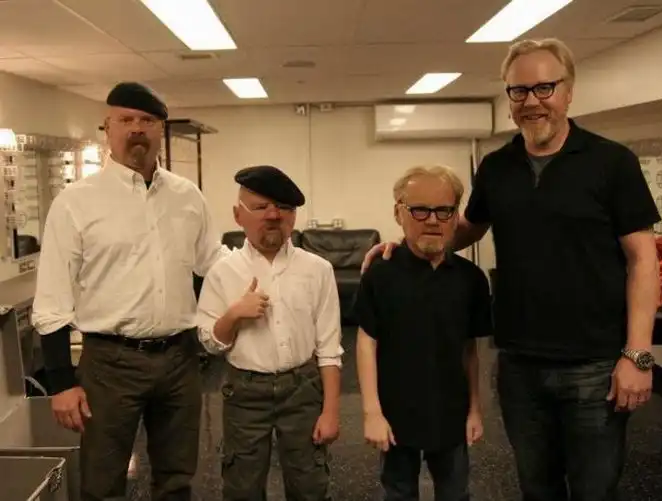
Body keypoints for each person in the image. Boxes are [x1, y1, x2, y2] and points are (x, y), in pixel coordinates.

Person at [361, 38, 661, 501]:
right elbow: (466, 228)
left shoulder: (612, 163)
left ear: (569, 91)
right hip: (520, 364)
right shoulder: (497, 167)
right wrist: (407, 245)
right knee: (536, 488)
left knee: (594, 490)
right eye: (519, 91)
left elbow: (644, 260)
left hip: (594, 365)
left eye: (544, 88)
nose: (532, 101)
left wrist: (637, 354)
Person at [32, 81, 230, 501]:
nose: (137, 128)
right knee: (102, 482)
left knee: (177, 479)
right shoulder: (75, 202)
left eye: (147, 120)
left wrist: (273, 260)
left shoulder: (187, 197)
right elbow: (52, 299)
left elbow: (214, 262)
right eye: (126, 119)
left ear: (160, 129)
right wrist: (61, 382)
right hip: (110, 363)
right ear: (108, 128)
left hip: (179, 359)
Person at [196, 165, 343, 501]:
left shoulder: (318, 270)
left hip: (303, 389)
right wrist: (235, 314)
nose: (274, 216)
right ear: (238, 215)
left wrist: (331, 411)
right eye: (261, 207)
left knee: (309, 486)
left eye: (284, 208)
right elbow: (210, 343)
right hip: (245, 392)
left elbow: (329, 348)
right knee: (242, 486)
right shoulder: (223, 272)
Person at [355, 165, 490, 501]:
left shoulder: (471, 279)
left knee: (455, 493)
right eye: (419, 210)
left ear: (455, 215)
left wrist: (475, 409)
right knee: (399, 493)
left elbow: (470, 351)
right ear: (398, 213)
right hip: (396, 414)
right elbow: (366, 343)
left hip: (452, 414)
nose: (432, 220)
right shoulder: (380, 275)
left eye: (444, 210)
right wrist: (372, 412)